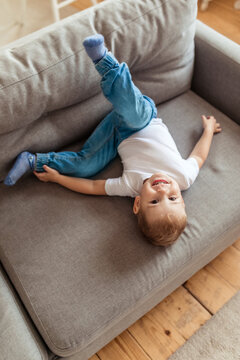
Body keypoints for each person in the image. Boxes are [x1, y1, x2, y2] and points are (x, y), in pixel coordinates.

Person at [3, 34, 222, 246]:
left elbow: (91, 186)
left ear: (137, 203)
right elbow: (199, 156)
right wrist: (209, 130)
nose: (164, 191)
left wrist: (57, 179)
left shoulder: (130, 186)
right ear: (182, 200)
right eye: (173, 199)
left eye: (154, 201)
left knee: (86, 165)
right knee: (132, 112)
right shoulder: (184, 177)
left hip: (115, 134)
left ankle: (33, 160)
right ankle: (104, 61)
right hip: (143, 118)